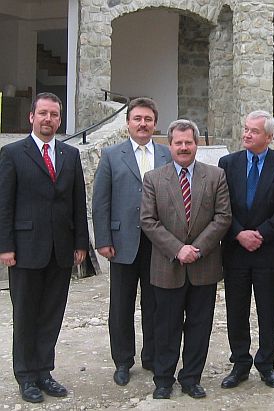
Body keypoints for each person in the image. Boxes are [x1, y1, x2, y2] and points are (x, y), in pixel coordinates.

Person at [0, 92, 88, 403]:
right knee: (26, 314)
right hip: (24, 249)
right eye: (43, 114)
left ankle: (44, 371)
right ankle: (25, 376)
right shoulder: (12, 154)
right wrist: (5, 245)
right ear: (31, 117)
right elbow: (4, 204)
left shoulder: (69, 155)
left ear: (60, 120)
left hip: (61, 249)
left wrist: (81, 243)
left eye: (54, 114)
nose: (48, 119)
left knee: (52, 313)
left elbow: (78, 202)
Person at [140, 119, 231, 400]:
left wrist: (198, 248)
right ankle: (163, 379)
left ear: (197, 144)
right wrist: (178, 249)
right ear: (170, 145)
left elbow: (222, 217)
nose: (183, 147)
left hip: (204, 265)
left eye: (188, 142)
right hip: (167, 265)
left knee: (199, 325)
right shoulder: (154, 179)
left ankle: (191, 378)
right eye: (178, 143)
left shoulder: (215, 176)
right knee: (165, 326)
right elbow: (148, 220)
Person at [92, 97, 171, 386]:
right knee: (121, 306)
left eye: (148, 119)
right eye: (137, 118)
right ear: (128, 122)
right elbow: (100, 201)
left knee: (156, 303)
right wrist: (103, 239)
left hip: (158, 244)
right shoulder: (112, 155)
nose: (143, 124)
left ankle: (151, 355)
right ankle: (123, 361)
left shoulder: (166, 154)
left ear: (155, 123)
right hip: (122, 242)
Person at [218, 110, 274, 389]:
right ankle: (240, 363)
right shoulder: (227, 163)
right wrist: (239, 233)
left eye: (253, 131)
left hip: (270, 251)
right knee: (236, 310)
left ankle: (266, 364)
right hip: (236, 250)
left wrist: (260, 234)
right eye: (245, 129)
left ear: (269, 136)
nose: (246, 134)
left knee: (268, 310)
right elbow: (221, 206)